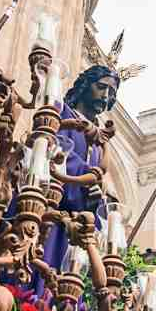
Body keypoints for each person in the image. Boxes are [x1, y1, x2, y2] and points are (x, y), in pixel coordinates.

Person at [42, 65, 120, 275]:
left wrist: (97, 200)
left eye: (111, 93)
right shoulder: (60, 112)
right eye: (101, 87)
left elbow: (96, 185)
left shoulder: (98, 143)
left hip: (74, 232)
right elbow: (54, 149)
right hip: (48, 214)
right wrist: (90, 181)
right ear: (85, 85)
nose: (105, 96)